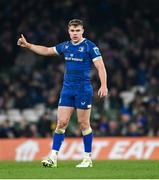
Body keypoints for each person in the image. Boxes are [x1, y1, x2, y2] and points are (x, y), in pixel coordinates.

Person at [17, 19, 108, 168]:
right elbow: (46, 50)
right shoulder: (65, 46)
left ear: (83, 31)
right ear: (68, 31)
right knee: (61, 123)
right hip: (67, 90)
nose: (75, 33)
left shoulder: (90, 47)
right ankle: (53, 157)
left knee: (83, 123)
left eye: (77, 30)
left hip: (83, 90)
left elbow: (101, 66)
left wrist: (104, 85)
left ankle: (87, 159)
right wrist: (28, 45)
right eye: (72, 30)